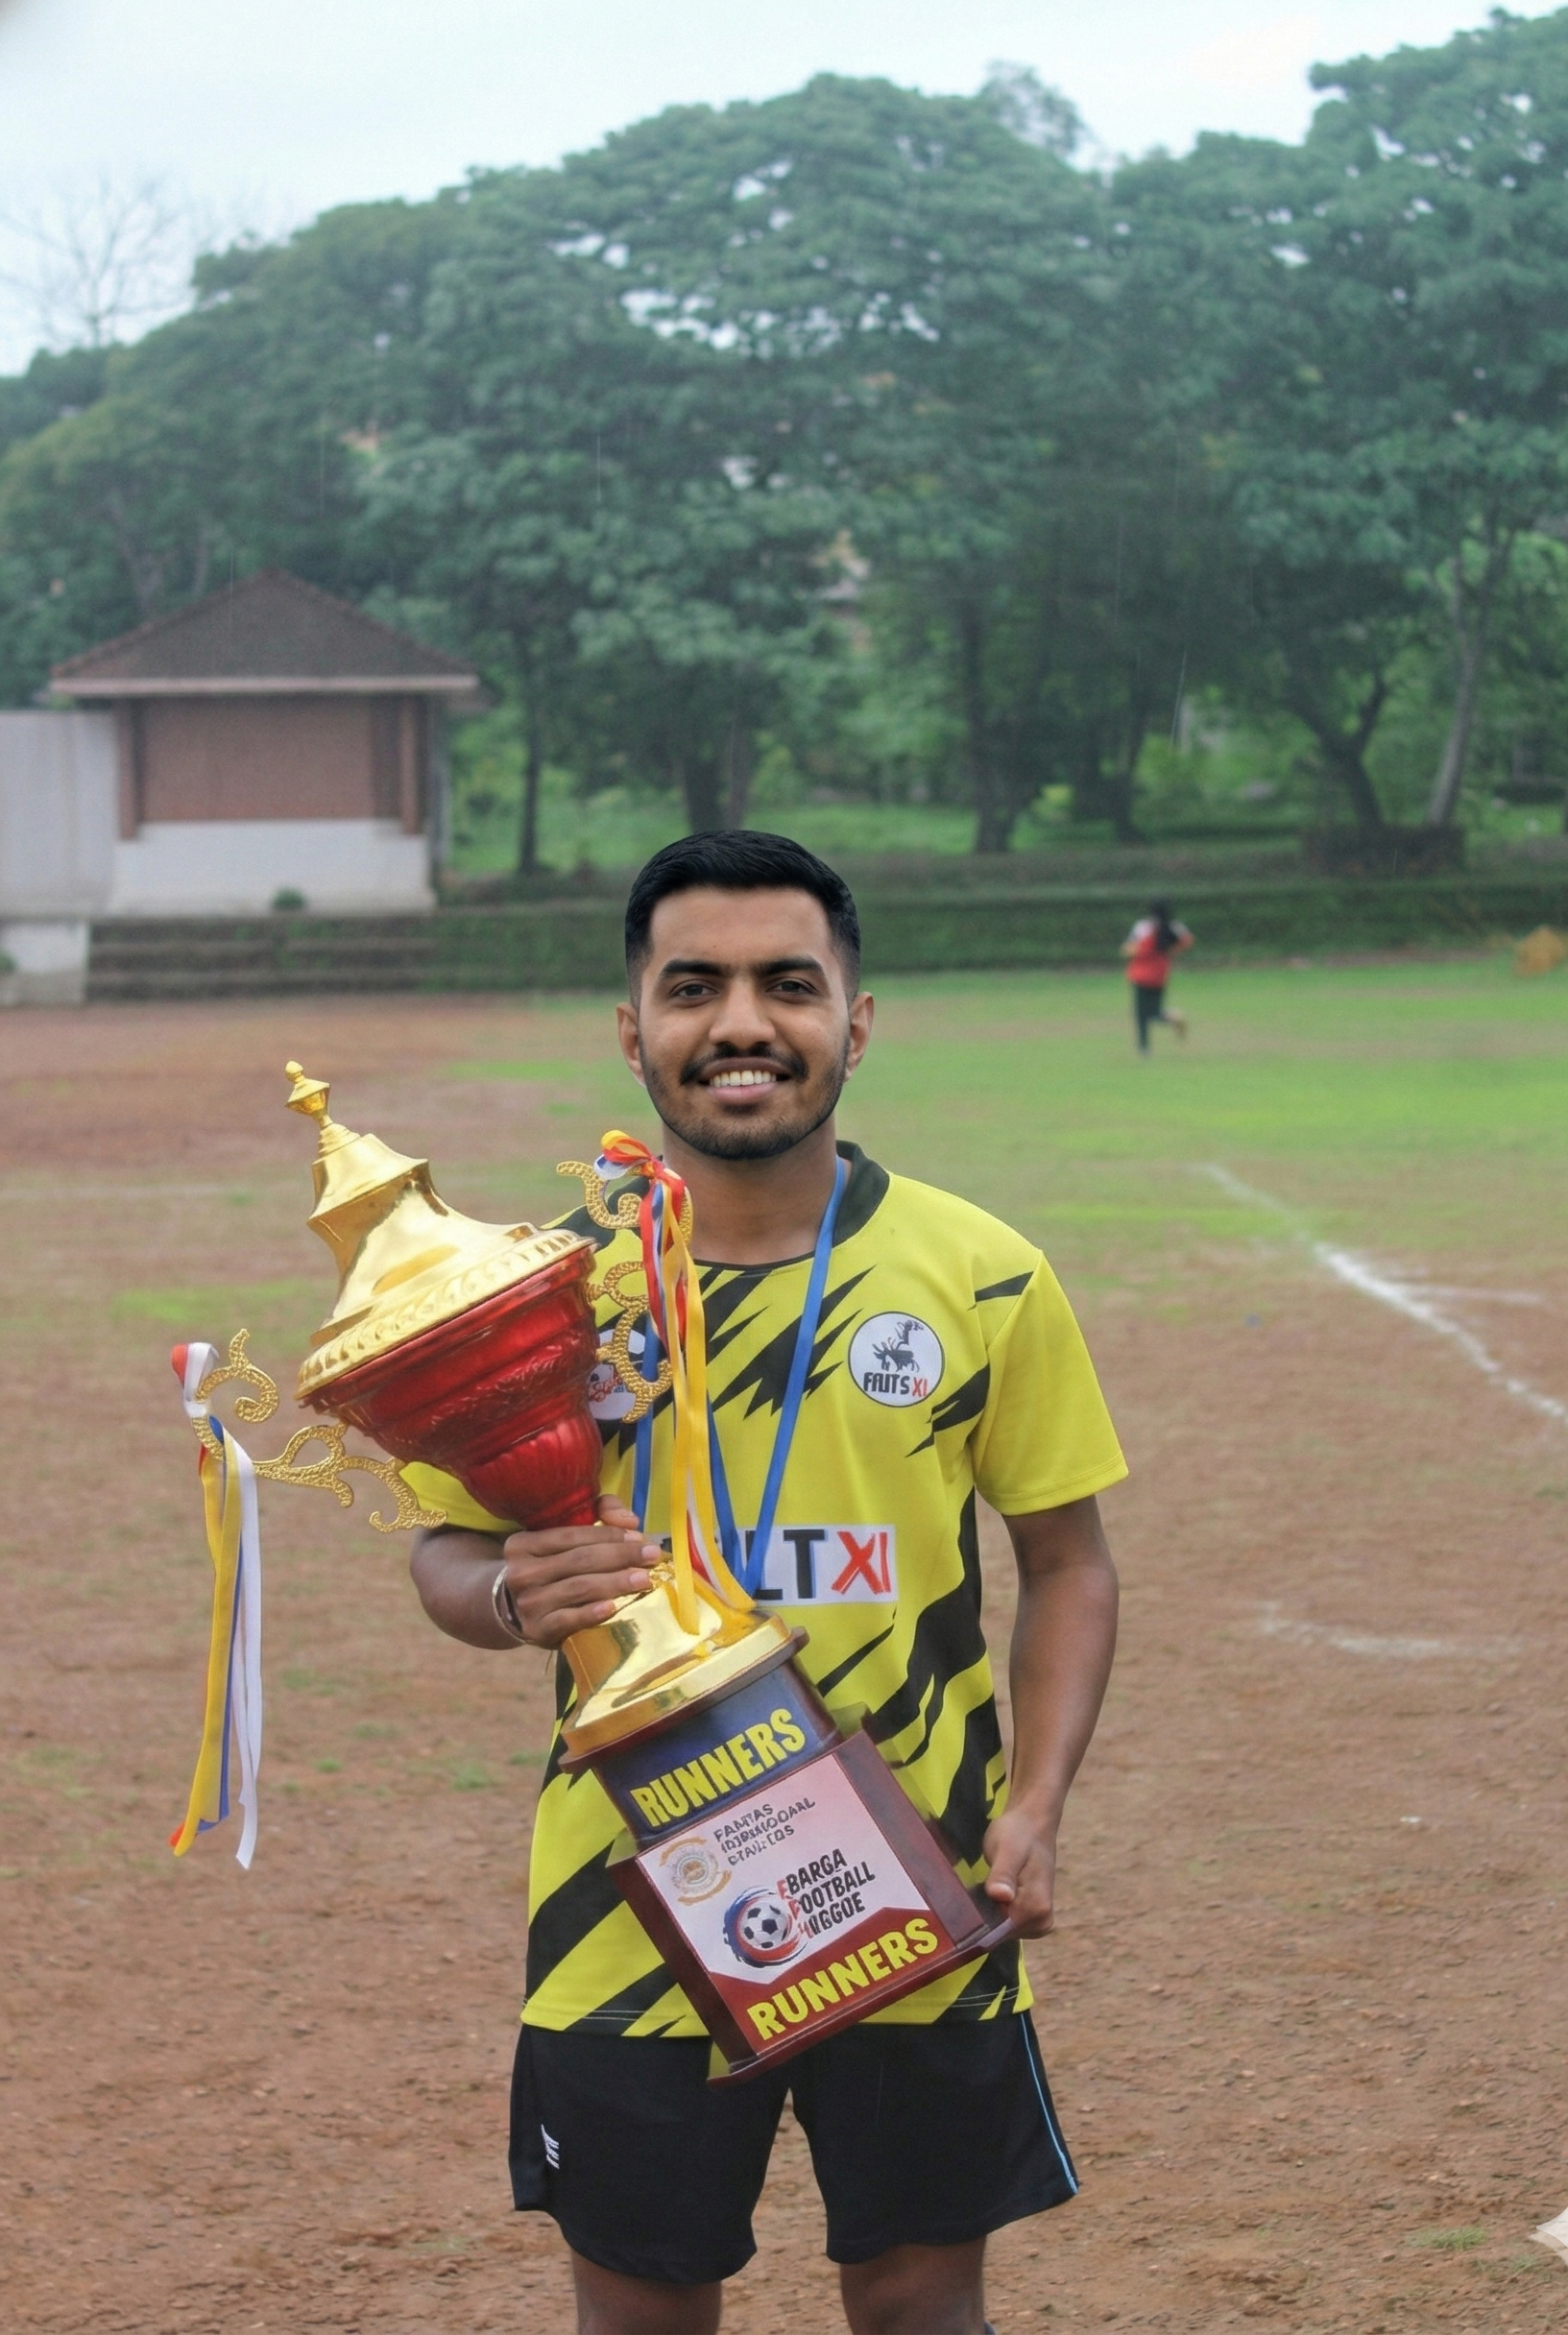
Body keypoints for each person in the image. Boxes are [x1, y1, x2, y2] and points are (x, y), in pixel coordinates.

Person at [407, 830, 1124, 2335]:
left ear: (855, 1021)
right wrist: (504, 1595)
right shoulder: (541, 1297)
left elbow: (1066, 1563)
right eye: (695, 987)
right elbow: (445, 1553)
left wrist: (1038, 1807)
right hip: (629, 1902)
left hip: (917, 1885)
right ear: (634, 1031)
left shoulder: (981, 1274)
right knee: (642, 2310)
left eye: (787, 984)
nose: (742, 1022)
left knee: (924, 2297)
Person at [1120, 900, 1193, 1052]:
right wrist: (1172, 951)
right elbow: (1187, 941)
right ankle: (1173, 1017)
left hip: (1140, 974)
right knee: (1155, 1010)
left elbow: (1129, 949)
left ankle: (1144, 1047)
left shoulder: (1143, 926)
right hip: (1160, 974)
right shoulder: (1174, 927)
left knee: (1141, 1013)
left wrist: (1132, 952)